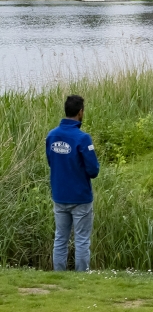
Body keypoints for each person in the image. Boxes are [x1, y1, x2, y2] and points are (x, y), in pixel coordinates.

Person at [46, 94, 100, 272]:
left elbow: (51, 161)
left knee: (60, 238)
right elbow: (93, 171)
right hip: (80, 198)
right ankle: (81, 277)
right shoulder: (83, 139)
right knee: (82, 239)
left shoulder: (52, 136)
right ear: (80, 112)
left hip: (60, 195)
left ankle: (58, 276)